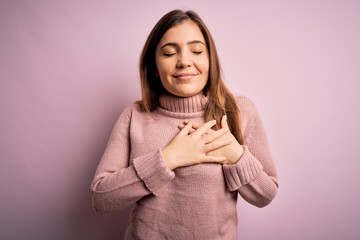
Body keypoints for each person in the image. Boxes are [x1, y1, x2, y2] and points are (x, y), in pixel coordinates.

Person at [91, 9, 278, 240]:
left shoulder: (240, 112)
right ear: (155, 68)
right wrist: (168, 159)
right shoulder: (134, 116)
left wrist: (236, 156)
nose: (184, 62)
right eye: (169, 53)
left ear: (210, 60)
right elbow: (101, 197)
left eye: (197, 50)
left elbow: (265, 195)